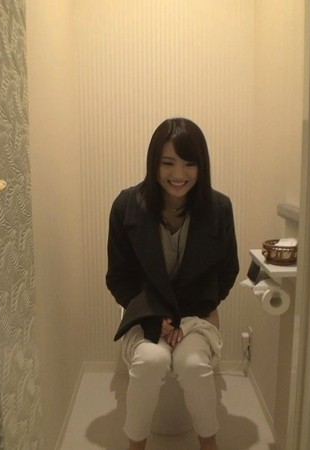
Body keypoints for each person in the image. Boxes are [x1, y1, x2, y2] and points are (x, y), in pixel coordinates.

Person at [106, 118, 240, 450]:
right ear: (153, 163)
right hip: (146, 312)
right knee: (150, 362)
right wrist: (155, 317)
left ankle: (209, 445)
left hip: (196, 314)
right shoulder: (126, 206)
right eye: (168, 163)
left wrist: (199, 311)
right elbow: (118, 276)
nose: (178, 174)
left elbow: (228, 270)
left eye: (189, 163)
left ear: (201, 166)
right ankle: (135, 446)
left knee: (193, 365)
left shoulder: (219, 208)